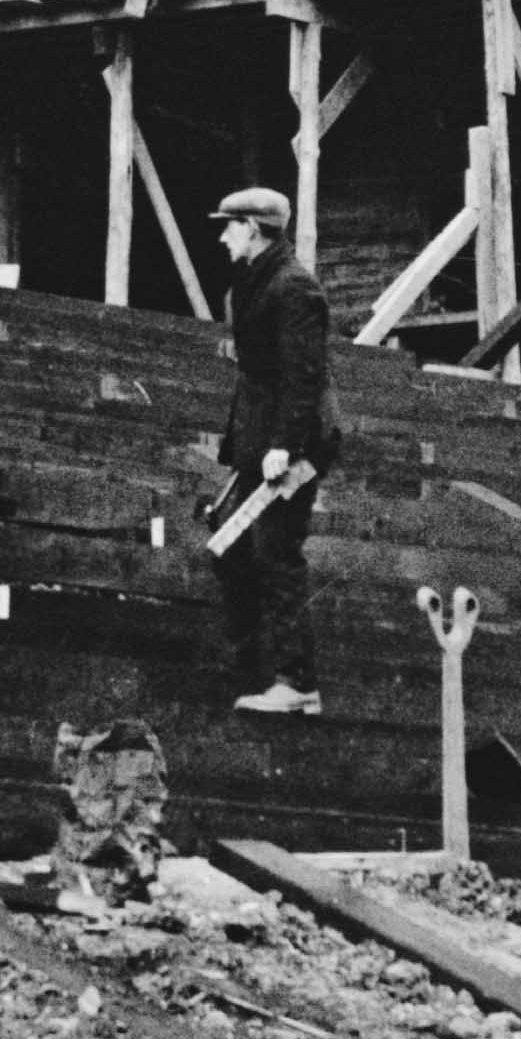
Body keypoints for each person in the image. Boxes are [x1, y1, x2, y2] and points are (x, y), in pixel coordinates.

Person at [206, 183, 331, 716]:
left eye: (229, 227)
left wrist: (285, 444)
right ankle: (255, 671)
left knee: (275, 553)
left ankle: (296, 683)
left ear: (253, 229)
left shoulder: (293, 288)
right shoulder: (256, 282)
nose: (222, 238)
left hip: (292, 450)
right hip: (259, 444)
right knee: (233, 548)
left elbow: (304, 376)